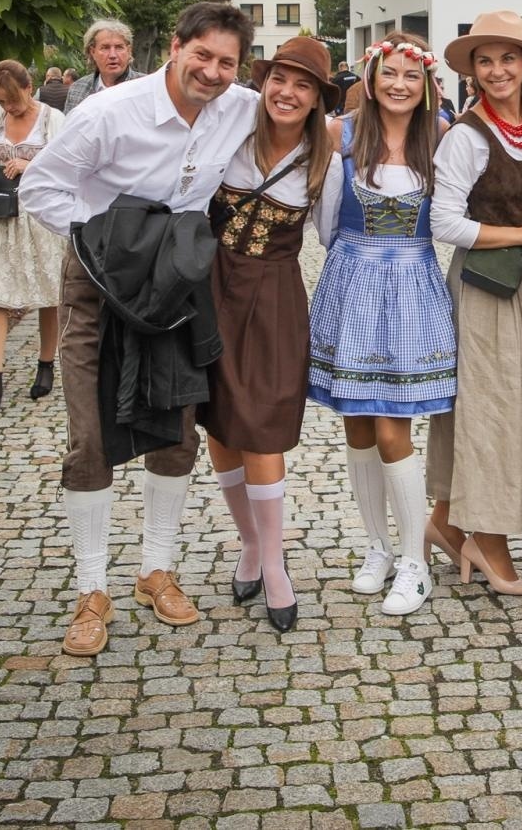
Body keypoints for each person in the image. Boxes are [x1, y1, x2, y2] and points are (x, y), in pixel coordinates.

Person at [21, 2, 258, 657]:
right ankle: (91, 589)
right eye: (201, 55)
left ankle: (156, 568)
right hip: (99, 284)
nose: (211, 72)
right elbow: (39, 188)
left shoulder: (241, 106)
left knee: (177, 432)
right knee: (90, 437)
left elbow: (315, 124)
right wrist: (108, 244)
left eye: (225, 62)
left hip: (177, 285)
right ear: (176, 47)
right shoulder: (106, 113)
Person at [309, 31, 455, 617]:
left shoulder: (441, 137)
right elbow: (323, 223)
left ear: (426, 85)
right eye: (389, 73)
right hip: (353, 282)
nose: (399, 84)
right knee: (358, 425)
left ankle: (415, 563)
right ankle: (377, 549)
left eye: (411, 76)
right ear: (369, 79)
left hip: (413, 287)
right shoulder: (339, 135)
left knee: (395, 425)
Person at [200, 36, 342, 633]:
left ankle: (276, 562)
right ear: (265, 83)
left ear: (316, 100)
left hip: (275, 296)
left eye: (302, 85)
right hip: (209, 286)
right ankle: (250, 545)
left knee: (262, 424)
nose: (287, 92)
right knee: (220, 421)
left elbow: (333, 234)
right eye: (280, 79)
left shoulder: (326, 159)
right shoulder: (227, 130)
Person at [427, 10, 522, 596]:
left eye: (508, 57)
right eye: (486, 60)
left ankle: (445, 520)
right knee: (496, 409)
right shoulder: (466, 136)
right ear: (473, 71)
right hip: (485, 283)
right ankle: (489, 539)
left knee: (513, 401)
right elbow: (443, 222)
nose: (498, 70)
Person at [0, 60, 68, 409]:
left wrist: (30, 165)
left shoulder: (53, 119)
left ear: (29, 87)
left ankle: (45, 364)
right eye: (2, 102)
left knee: (48, 293)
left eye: (13, 100)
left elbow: (68, 163)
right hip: (0, 214)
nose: (8, 107)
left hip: (41, 218)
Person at [65, 19, 143, 114]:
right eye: (105, 48)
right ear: (92, 52)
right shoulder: (77, 90)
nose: (113, 55)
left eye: (119, 47)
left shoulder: (146, 88)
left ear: (129, 51)